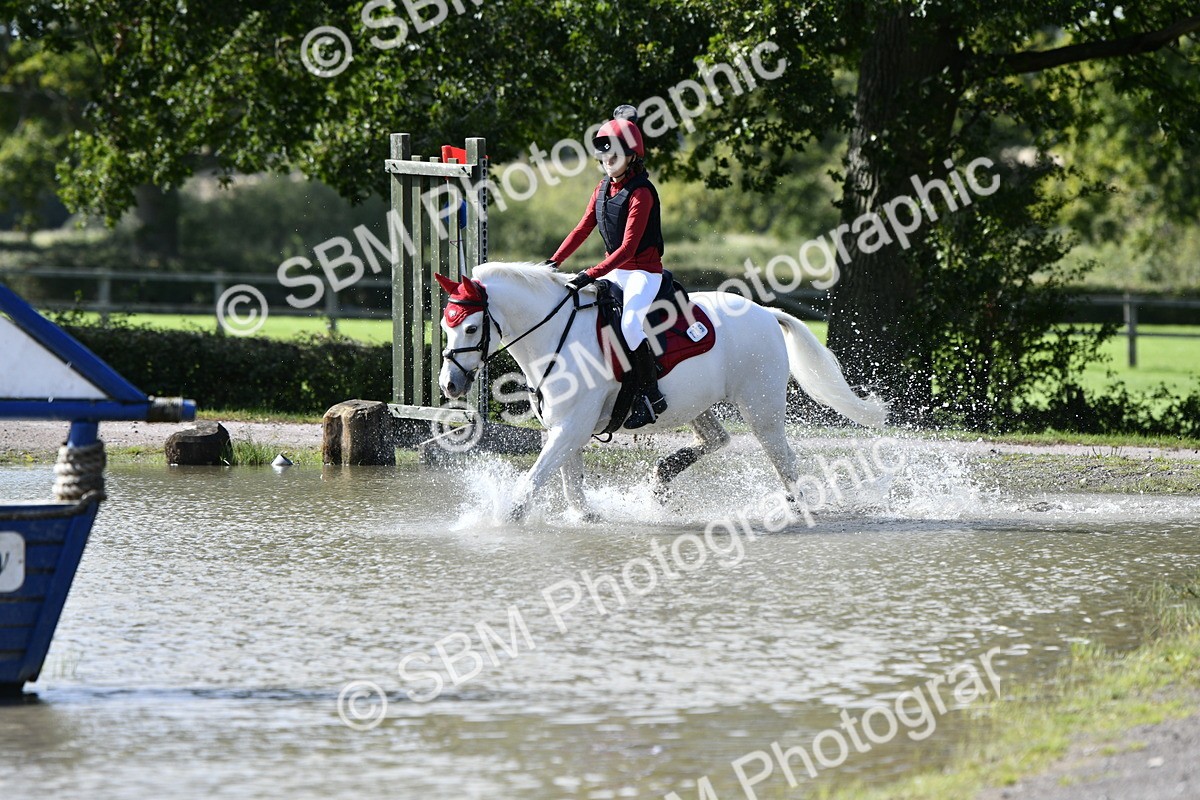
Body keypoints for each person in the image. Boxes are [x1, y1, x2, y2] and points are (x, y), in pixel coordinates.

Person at [548, 105, 668, 430]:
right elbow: (581, 229)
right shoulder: (602, 189)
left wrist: (590, 273)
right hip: (616, 271)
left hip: (643, 273)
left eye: (614, 154)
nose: (608, 160)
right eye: (604, 155)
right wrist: (553, 262)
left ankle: (651, 396)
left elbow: (629, 249)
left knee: (630, 326)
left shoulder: (642, 192)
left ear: (631, 156)